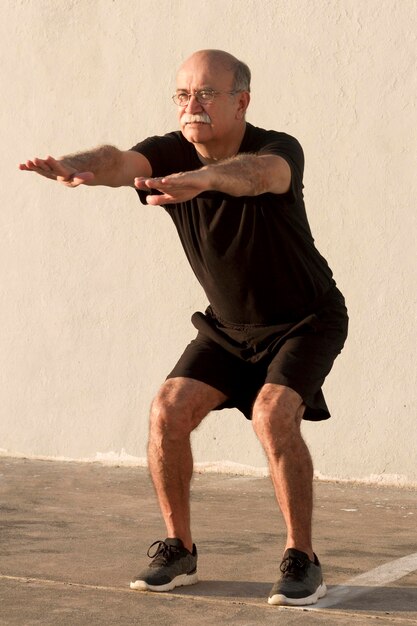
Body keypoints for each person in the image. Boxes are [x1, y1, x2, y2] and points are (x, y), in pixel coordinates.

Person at [19, 49, 348, 607]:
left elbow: (259, 177)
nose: (190, 106)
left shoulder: (275, 147)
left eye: (205, 94)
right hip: (228, 327)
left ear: (241, 101)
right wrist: (74, 164)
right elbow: (116, 159)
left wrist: (202, 181)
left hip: (305, 320)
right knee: (167, 409)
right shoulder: (167, 152)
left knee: (272, 415)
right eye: (181, 95)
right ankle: (179, 547)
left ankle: (302, 557)